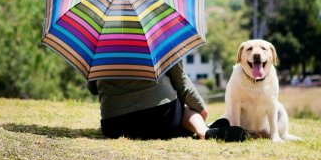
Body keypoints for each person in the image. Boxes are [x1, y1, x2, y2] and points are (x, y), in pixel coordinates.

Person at [87, 59, 246, 141]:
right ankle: (203, 131)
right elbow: (181, 82)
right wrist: (201, 109)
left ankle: (178, 130)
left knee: (153, 120)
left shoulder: (101, 45)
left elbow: (93, 89)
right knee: (183, 109)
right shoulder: (160, 36)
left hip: (115, 124)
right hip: (160, 117)